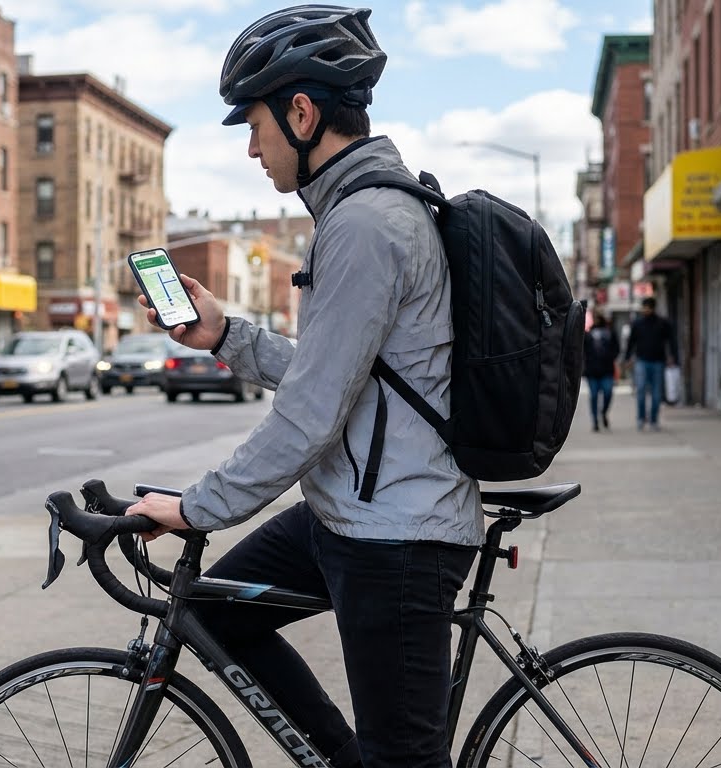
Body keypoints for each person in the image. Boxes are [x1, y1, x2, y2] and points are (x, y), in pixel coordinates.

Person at [125, 7, 480, 766]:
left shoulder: (366, 223)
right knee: (218, 613)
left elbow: (311, 414)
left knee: (404, 760)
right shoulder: (356, 214)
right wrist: (226, 336)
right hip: (352, 517)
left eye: (253, 125)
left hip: (400, 535)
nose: (251, 147)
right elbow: (341, 376)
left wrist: (194, 508)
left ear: (301, 111)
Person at [623, 296, 678, 431]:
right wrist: (627, 358)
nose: (644, 310)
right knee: (641, 390)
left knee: (656, 394)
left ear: (652, 308)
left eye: (646, 307)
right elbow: (631, 342)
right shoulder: (638, 324)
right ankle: (641, 418)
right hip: (641, 361)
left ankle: (653, 420)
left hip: (658, 361)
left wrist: (673, 357)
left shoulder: (663, 323)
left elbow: (672, 341)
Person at [583, 309, 620, 431]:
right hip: (592, 371)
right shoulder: (587, 335)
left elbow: (616, 348)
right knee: (593, 396)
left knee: (608, 393)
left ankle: (603, 412)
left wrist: (610, 357)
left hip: (607, 370)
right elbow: (582, 352)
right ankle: (595, 421)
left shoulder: (610, 333)